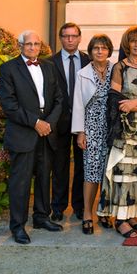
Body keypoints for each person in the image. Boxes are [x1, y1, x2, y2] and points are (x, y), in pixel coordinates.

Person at [0, 30, 64, 244]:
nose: (33, 47)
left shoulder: (49, 66)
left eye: (36, 44)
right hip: (23, 133)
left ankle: (41, 217)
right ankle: (18, 226)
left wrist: (48, 124)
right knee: (21, 182)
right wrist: (36, 123)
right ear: (20, 46)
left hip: (47, 132)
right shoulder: (9, 68)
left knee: (45, 177)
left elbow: (58, 99)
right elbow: (9, 104)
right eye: (29, 44)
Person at [98, 26, 137, 238]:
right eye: (133, 41)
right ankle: (121, 220)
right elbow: (115, 98)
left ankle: (133, 215)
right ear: (128, 44)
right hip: (125, 130)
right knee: (124, 174)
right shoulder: (120, 67)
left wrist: (136, 103)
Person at [71, 34, 114, 235]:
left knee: (109, 172)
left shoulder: (116, 69)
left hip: (112, 128)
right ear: (90, 51)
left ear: (109, 51)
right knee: (91, 172)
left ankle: (104, 212)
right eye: (96, 48)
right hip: (92, 127)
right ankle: (88, 213)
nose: (100, 51)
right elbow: (78, 105)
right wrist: (81, 132)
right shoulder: (83, 73)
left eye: (104, 48)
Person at [51, 22, 90, 221]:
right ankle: (58, 207)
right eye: (66, 36)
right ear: (61, 38)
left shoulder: (88, 60)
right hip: (60, 123)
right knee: (60, 166)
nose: (70, 39)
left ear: (79, 38)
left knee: (82, 166)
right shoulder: (50, 62)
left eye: (74, 36)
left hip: (83, 122)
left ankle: (79, 206)